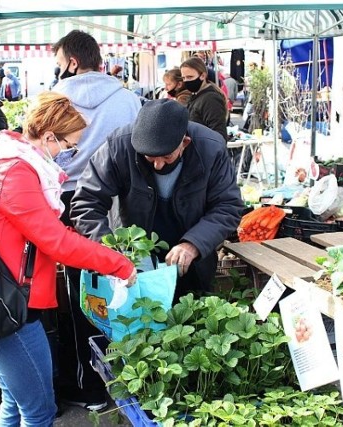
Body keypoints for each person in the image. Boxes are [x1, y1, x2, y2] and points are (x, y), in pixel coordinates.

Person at [0, 92, 137, 427]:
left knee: (15, 404)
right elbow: (57, 243)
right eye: (67, 145)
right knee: (38, 412)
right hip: (11, 308)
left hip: (2, 300)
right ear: (48, 137)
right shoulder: (17, 173)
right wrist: (120, 264)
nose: (67, 153)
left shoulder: (7, 160)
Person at [51, 29, 141, 411]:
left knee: (81, 293)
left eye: (59, 63)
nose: (57, 71)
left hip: (71, 201)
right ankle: (135, 376)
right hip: (122, 203)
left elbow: (49, 155)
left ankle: (92, 388)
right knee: (125, 285)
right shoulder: (129, 99)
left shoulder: (55, 100)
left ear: (72, 61)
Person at [71, 99, 242, 298]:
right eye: (149, 157)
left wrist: (194, 244)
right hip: (133, 257)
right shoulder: (119, 145)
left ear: (184, 143)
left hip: (193, 261)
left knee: (190, 315)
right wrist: (108, 248)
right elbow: (86, 201)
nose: (158, 165)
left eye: (167, 156)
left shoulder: (210, 149)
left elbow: (228, 206)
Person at [180, 57, 229, 142]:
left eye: (190, 77)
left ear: (203, 76)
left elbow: (219, 134)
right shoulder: (197, 96)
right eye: (184, 78)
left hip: (205, 152)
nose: (186, 81)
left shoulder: (211, 99)